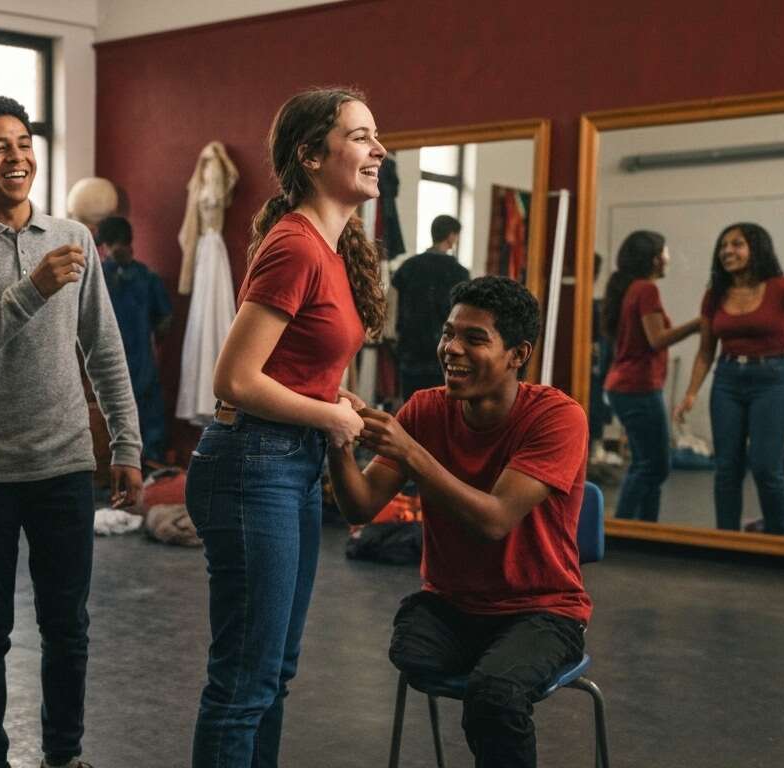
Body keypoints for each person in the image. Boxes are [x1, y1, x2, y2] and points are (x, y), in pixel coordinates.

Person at [0, 95, 142, 768]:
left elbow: (104, 347)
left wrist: (126, 443)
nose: (16, 156)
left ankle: (64, 756)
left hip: (64, 466)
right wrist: (30, 292)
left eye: (23, 142)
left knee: (67, 628)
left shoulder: (71, 238)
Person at [186, 86, 385, 768]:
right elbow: (234, 378)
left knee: (272, 675)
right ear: (310, 155)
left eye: (373, 135)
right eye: (360, 136)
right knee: (245, 682)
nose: (377, 149)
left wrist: (341, 402)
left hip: (289, 463)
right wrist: (331, 414)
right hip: (252, 465)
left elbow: (296, 365)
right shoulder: (296, 245)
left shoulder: (333, 247)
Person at [330, 276, 591, 768]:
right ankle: (500, 661)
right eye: (449, 334)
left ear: (518, 354)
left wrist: (412, 452)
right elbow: (360, 507)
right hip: (454, 603)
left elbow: (494, 520)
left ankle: (502, 666)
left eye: (475, 339)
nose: (452, 349)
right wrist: (337, 436)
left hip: (542, 609)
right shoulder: (425, 408)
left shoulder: (557, 418)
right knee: (414, 653)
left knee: (493, 695)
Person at [674, 223, 784, 534]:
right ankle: (728, 540)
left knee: (767, 467)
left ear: (757, 248)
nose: (728, 251)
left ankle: (780, 543)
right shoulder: (715, 295)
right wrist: (690, 393)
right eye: (723, 246)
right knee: (727, 469)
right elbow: (704, 352)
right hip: (727, 379)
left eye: (737, 244)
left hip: (772, 379)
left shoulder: (782, 288)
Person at [601, 231, 700, 521]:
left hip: (628, 386)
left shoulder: (632, 288)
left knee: (644, 464)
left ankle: (646, 529)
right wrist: (699, 324)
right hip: (638, 388)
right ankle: (623, 528)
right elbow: (657, 339)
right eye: (666, 252)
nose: (669, 257)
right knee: (655, 467)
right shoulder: (646, 289)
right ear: (656, 258)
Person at [96, 215, 173, 463]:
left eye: (115, 244)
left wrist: (153, 338)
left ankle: (151, 458)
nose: (111, 251)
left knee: (147, 408)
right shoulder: (98, 276)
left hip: (140, 357)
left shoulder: (147, 278)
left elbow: (165, 318)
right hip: (105, 357)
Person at [392, 213, 469, 400]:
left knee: (411, 407)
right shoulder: (459, 273)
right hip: (443, 353)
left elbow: (393, 305)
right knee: (439, 409)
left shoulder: (408, 267)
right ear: (451, 236)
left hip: (410, 349)